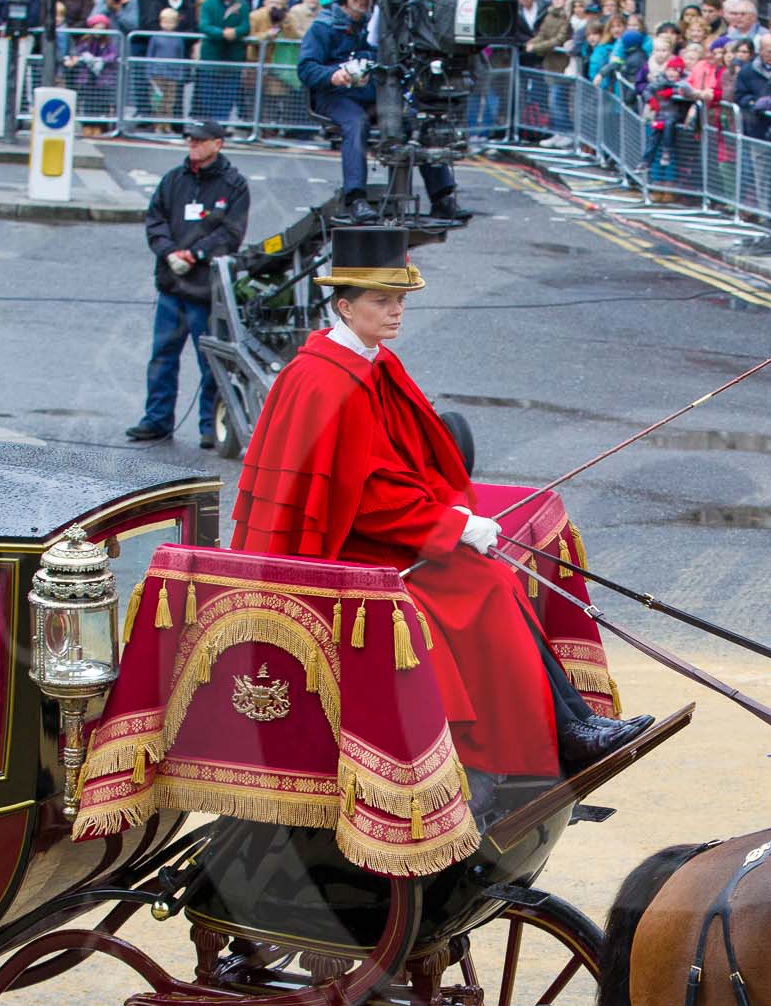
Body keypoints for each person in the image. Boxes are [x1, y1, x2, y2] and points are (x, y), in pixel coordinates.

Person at [228, 227, 654, 780]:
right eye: (381, 301)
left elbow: (414, 458)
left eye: (400, 300)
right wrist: (451, 525)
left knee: (494, 579)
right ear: (344, 305)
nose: (396, 311)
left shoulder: (373, 362)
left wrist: (451, 512)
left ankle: (572, 720)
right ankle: (562, 731)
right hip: (347, 551)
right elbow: (365, 499)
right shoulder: (325, 381)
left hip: (393, 536)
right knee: (485, 588)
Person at [298, 0, 465, 223]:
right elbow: (305, 68)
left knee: (414, 123)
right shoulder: (323, 27)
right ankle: (355, 199)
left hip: (372, 96)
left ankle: (442, 198)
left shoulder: (378, 26)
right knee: (355, 124)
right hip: (335, 97)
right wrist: (334, 75)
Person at [126, 119, 251, 447]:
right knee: (162, 357)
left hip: (204, 291)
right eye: (190, 140)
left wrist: (194, 254)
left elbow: (231, 235)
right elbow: (155, 220)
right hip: (172, 286)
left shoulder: (233, 185)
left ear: (217, 144)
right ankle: (157, 420)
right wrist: (169, 254)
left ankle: (209, 426)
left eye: (199, 140)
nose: (192, 145)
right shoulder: (173, 180)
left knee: (210, 362)